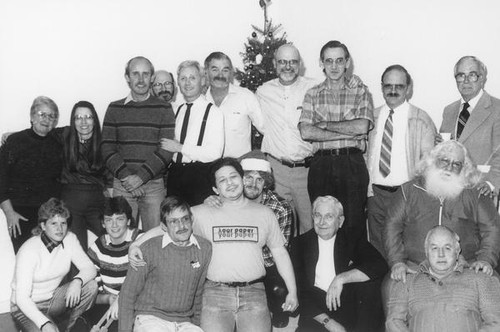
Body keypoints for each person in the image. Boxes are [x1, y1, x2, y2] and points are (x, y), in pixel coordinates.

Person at [129, 158, 298, 332]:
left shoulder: (265, 213)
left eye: (233, 177)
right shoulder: (202, 212)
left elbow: (280, 252)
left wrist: (292, 291)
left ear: (242, 179)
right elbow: (166, 227)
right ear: (215, 189)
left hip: (254, 292)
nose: (230, 183)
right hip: (215, 294)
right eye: (222, 180)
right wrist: (136, 244)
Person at [384, 140, 500, 283]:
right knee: (392, 288)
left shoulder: (475, 193)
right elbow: (392, 226)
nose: (449, 168)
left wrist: (486, 260)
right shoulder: (407, 191)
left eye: (456, 164)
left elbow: (492, 229)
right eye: (444, 161)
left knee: (491, 286)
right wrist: (397, 262)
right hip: (414, 268)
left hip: (466, 268)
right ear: (432, 161)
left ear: (464, 168)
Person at [204, 150, 294, 328]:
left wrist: (245, 250)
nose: (253, 184)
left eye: (259, 179)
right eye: (248, 178)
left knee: (279, 288)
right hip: (227, 274)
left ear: (266, 183)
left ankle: (277, 309)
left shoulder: (280, 208)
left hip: (267, 266)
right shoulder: (225, 199)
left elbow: (277, 253)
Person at [298, 40, 374, 239]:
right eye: (329, 61)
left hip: (351, 164)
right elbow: (306, 132)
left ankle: (353, 269)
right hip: (321, 165)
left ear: (347, 62)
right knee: (322, 222)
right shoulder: (312, 94)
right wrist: (349, 134)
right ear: (321, 63)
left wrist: (324, 125)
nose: (334, 66)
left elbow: (362, 127)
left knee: (353, 222)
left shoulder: (360, 91)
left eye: (339, 61)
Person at [366, 65, 437, 256]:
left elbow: (429, 162)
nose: (393, 90)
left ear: (408, 88)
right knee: (377, 249)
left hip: (406, 195)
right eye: (388, 85)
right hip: (376, 194)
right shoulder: (370, 117)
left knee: (405, 249)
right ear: (381, 87)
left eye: (399, 86)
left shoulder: (421, 119)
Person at [291, 196, 388, 332]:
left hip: (346, 303)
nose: (322, 222)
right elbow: (300, 291)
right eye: (318, 216)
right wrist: (328, 322)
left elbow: (379, 265)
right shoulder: (299, 244)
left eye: (329, 216)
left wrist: (341, 278)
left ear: (340, 221)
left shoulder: (351, 239)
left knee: (372, 287)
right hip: (315, 311)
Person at [101, 56, 175, 231]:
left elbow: (165, 150)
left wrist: (141, 178)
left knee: (155, 239)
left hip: (154, 186)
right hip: (123, 184)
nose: (140, 80)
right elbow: (107, 147)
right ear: (127, 77)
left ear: (151, 78)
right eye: (135, 74)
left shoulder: (164, 108)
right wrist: (128, 179)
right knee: (122, 238)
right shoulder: (114, 108)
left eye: (145, 74)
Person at [118, 196, 212, 332]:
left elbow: (197, 294)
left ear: (192, 220)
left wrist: (196, 325)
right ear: (163, 226)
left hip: (184, 322)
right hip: (150, 318)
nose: (181, 226)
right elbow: (128, 294)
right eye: (173, 222)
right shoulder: (148, 248)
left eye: (185, 219)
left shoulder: (204, 248)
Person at [386, 226, 500, 331]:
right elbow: (394, 322)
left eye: (447, 248)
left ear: (457, 251)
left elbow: (496, 322)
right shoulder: (407, 282)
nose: (441, 254)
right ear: (426, 252)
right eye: (434, 248)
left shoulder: (480, 279)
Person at [10, 198, 98, 332]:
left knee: (91, 285)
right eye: (54, 223)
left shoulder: (70, 239)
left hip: (52, 301)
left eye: (63, 223)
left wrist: (77, 281)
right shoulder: (29, 250)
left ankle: (73, 328)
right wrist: (44, 323)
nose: (60, 228)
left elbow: (90, 268)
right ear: (43, 226)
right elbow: (22, 298)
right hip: (24, 308)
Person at [256, 44, 316, 235]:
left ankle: (308, 265)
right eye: (282, 62)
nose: (287, 67)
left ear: (300, 65)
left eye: (292, 62)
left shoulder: (313, 88)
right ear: (274, 64)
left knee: (310, 225)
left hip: (306, 171)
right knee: (279, 227)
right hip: (276, 171)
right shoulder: (263, 91)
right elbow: (261, 124)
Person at [0, 96, 63, 251]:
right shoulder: (14, 141)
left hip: (49, 214)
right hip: (20, 214)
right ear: (32, 116)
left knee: (49, 261)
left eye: (51, 116)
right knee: (24, 258)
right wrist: (9, 213)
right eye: (42, 114)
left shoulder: (58, 143)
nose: (46, 119)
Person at [162, 60, 224, 206]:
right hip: (175, 176)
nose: (187, 83)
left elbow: (215, 153)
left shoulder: (214, 112)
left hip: (200, 176)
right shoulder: (177, 110)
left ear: (202, 81)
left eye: (192, 78)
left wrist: (180, 148)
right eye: (183, 79)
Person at [440, 56, 500, 195]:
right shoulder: (448, 110)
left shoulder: (497, 109)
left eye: (472, 75)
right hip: (449, 189)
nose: (466, 80)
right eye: (461, 75)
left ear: (482, 78)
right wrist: (439, 146)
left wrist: (491, 184)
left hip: (481, 189)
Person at [86, 196, 141, 332]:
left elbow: (147, 282)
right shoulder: (98, 247)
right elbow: (94, 291)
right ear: (103, 224)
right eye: (109, 220)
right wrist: (109, 299)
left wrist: (122, 299)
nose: (114, 225)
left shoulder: (140, 240)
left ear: (128, 221)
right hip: (109, 305)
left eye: (120, 219)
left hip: (138, 303)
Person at [60, 100, 109, 249]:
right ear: (73, 121)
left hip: (97, 200)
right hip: (71, 201)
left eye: (88, 117)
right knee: (77, 248)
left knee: (110, 239)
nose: (83, 122)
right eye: (78, 117)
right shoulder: (65, 135)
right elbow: (41, 132)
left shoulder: (104, 141)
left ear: (95, 120)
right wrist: (14, 135)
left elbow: (109, 176)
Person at [204, 51, 264, 158]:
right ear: (206, 72)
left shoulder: (246, 97)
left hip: (239, 167)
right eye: (215, 69)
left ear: (231, 73)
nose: (220, 75)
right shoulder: (201, 101)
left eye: (225, 70)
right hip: (207, 167)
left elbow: (265, 128)